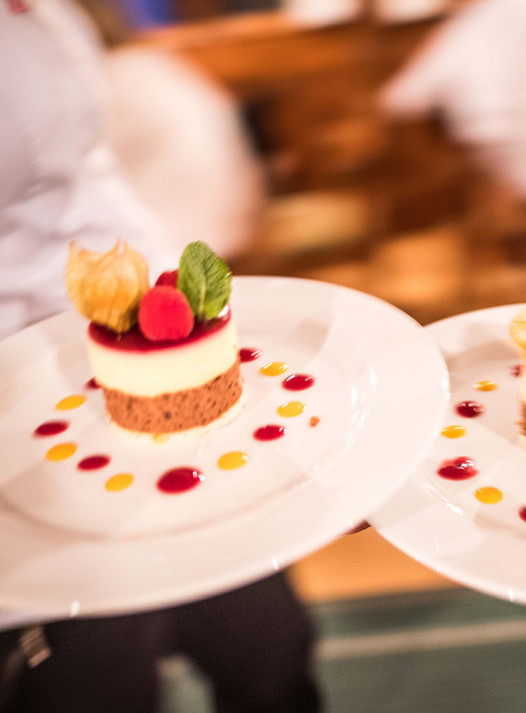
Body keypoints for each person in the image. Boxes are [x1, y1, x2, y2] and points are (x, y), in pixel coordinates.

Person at [0, 2, 320, 711]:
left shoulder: (48, 12)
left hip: (153, 397)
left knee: (272, 654)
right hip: (27, 451)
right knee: (100, 684)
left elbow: (90, 180)